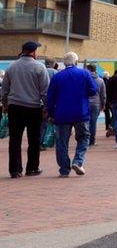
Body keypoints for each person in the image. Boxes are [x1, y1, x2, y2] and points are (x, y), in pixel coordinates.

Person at [2, 41, 50, 178]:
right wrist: (46, 107)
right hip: (33, 108)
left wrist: (5, 104)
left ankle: (15, 170)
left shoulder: (11, 67)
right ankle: (32, 168)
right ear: (34, 52)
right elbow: (45, 91)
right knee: (34, 139)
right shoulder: (40, 68)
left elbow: (4, 89)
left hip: (15, 107)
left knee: (15, 139)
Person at [46, 53, 98, 177]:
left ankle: (64, 169)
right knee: (84, 137)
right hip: (81, 112)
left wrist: (51, 114)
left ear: (64, 63)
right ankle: (78, 161)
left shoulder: (57, 77)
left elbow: (50, 98)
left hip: (62, 114)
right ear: (76, 62)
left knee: (61, 142)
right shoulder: (84, 73)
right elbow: (93, 90)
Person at [86, 64, 105, 147]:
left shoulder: (84, 79)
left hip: (85, 103)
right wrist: (103, 104)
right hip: (96, 104)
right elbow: (103, 95)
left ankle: (85, 140)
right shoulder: (100, 81)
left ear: (88, 69)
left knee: (85, 122)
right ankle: (92, 141)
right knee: (93, 123)